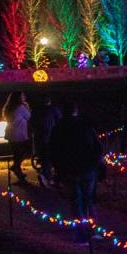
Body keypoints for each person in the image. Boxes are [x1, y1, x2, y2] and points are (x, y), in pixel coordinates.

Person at [49, 101, 103, 243]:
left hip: (69, 170)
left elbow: (53, 151)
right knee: (88, 199)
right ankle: (93, 230)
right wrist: (97, 164)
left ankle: (81, 234)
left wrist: (57, 169)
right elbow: (98, 147)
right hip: (87, 169)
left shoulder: (58, 129)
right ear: (76, 111)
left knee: (75, 201)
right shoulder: (86, 126)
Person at [32, 96, 62, 186]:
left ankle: (45, 175)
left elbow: (32, 122)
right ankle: (50, 177)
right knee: (52, 158)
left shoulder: (36, 110)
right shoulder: (54, 109)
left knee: (44, 158)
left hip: (39, 137)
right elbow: (59, 120)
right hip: (51, 137)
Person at [2, 92, 32, 183]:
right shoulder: (21, 107)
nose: (25, 97)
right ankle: (16, 167)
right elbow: (28, 117)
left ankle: (20, 175)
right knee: (26, 152)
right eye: (23, 96)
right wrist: (28, 109)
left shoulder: (8, 108)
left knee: (17, 154)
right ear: (19, 98)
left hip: (11, 134)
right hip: (19, 134)